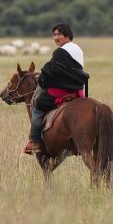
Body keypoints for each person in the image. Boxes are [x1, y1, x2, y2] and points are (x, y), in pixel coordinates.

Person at [24, 22, 89, 155]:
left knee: (37, 108)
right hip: (78, 91)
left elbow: (50, 72)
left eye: (58, 34)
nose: (55, 37)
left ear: (67, 35)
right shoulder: (78, 49)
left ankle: (35, 142)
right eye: (54, 34)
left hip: (62, 91)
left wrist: (41, 80)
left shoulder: (60, 52)